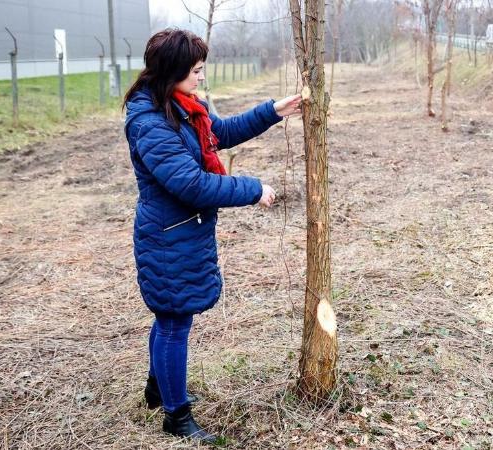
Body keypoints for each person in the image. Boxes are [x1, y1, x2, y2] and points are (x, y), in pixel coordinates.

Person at [123, 28, 301, 442]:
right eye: (196, 70)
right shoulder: (150, 121)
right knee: (173, 322)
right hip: (168, 236)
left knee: (171, 315)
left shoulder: (179, 106)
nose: (201, 77)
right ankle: (177, 417)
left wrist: (274, 110)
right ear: (174, 70)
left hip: (183, 231)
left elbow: (218, 132)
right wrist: (252, 189)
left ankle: (158, 390)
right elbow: (191, 184)